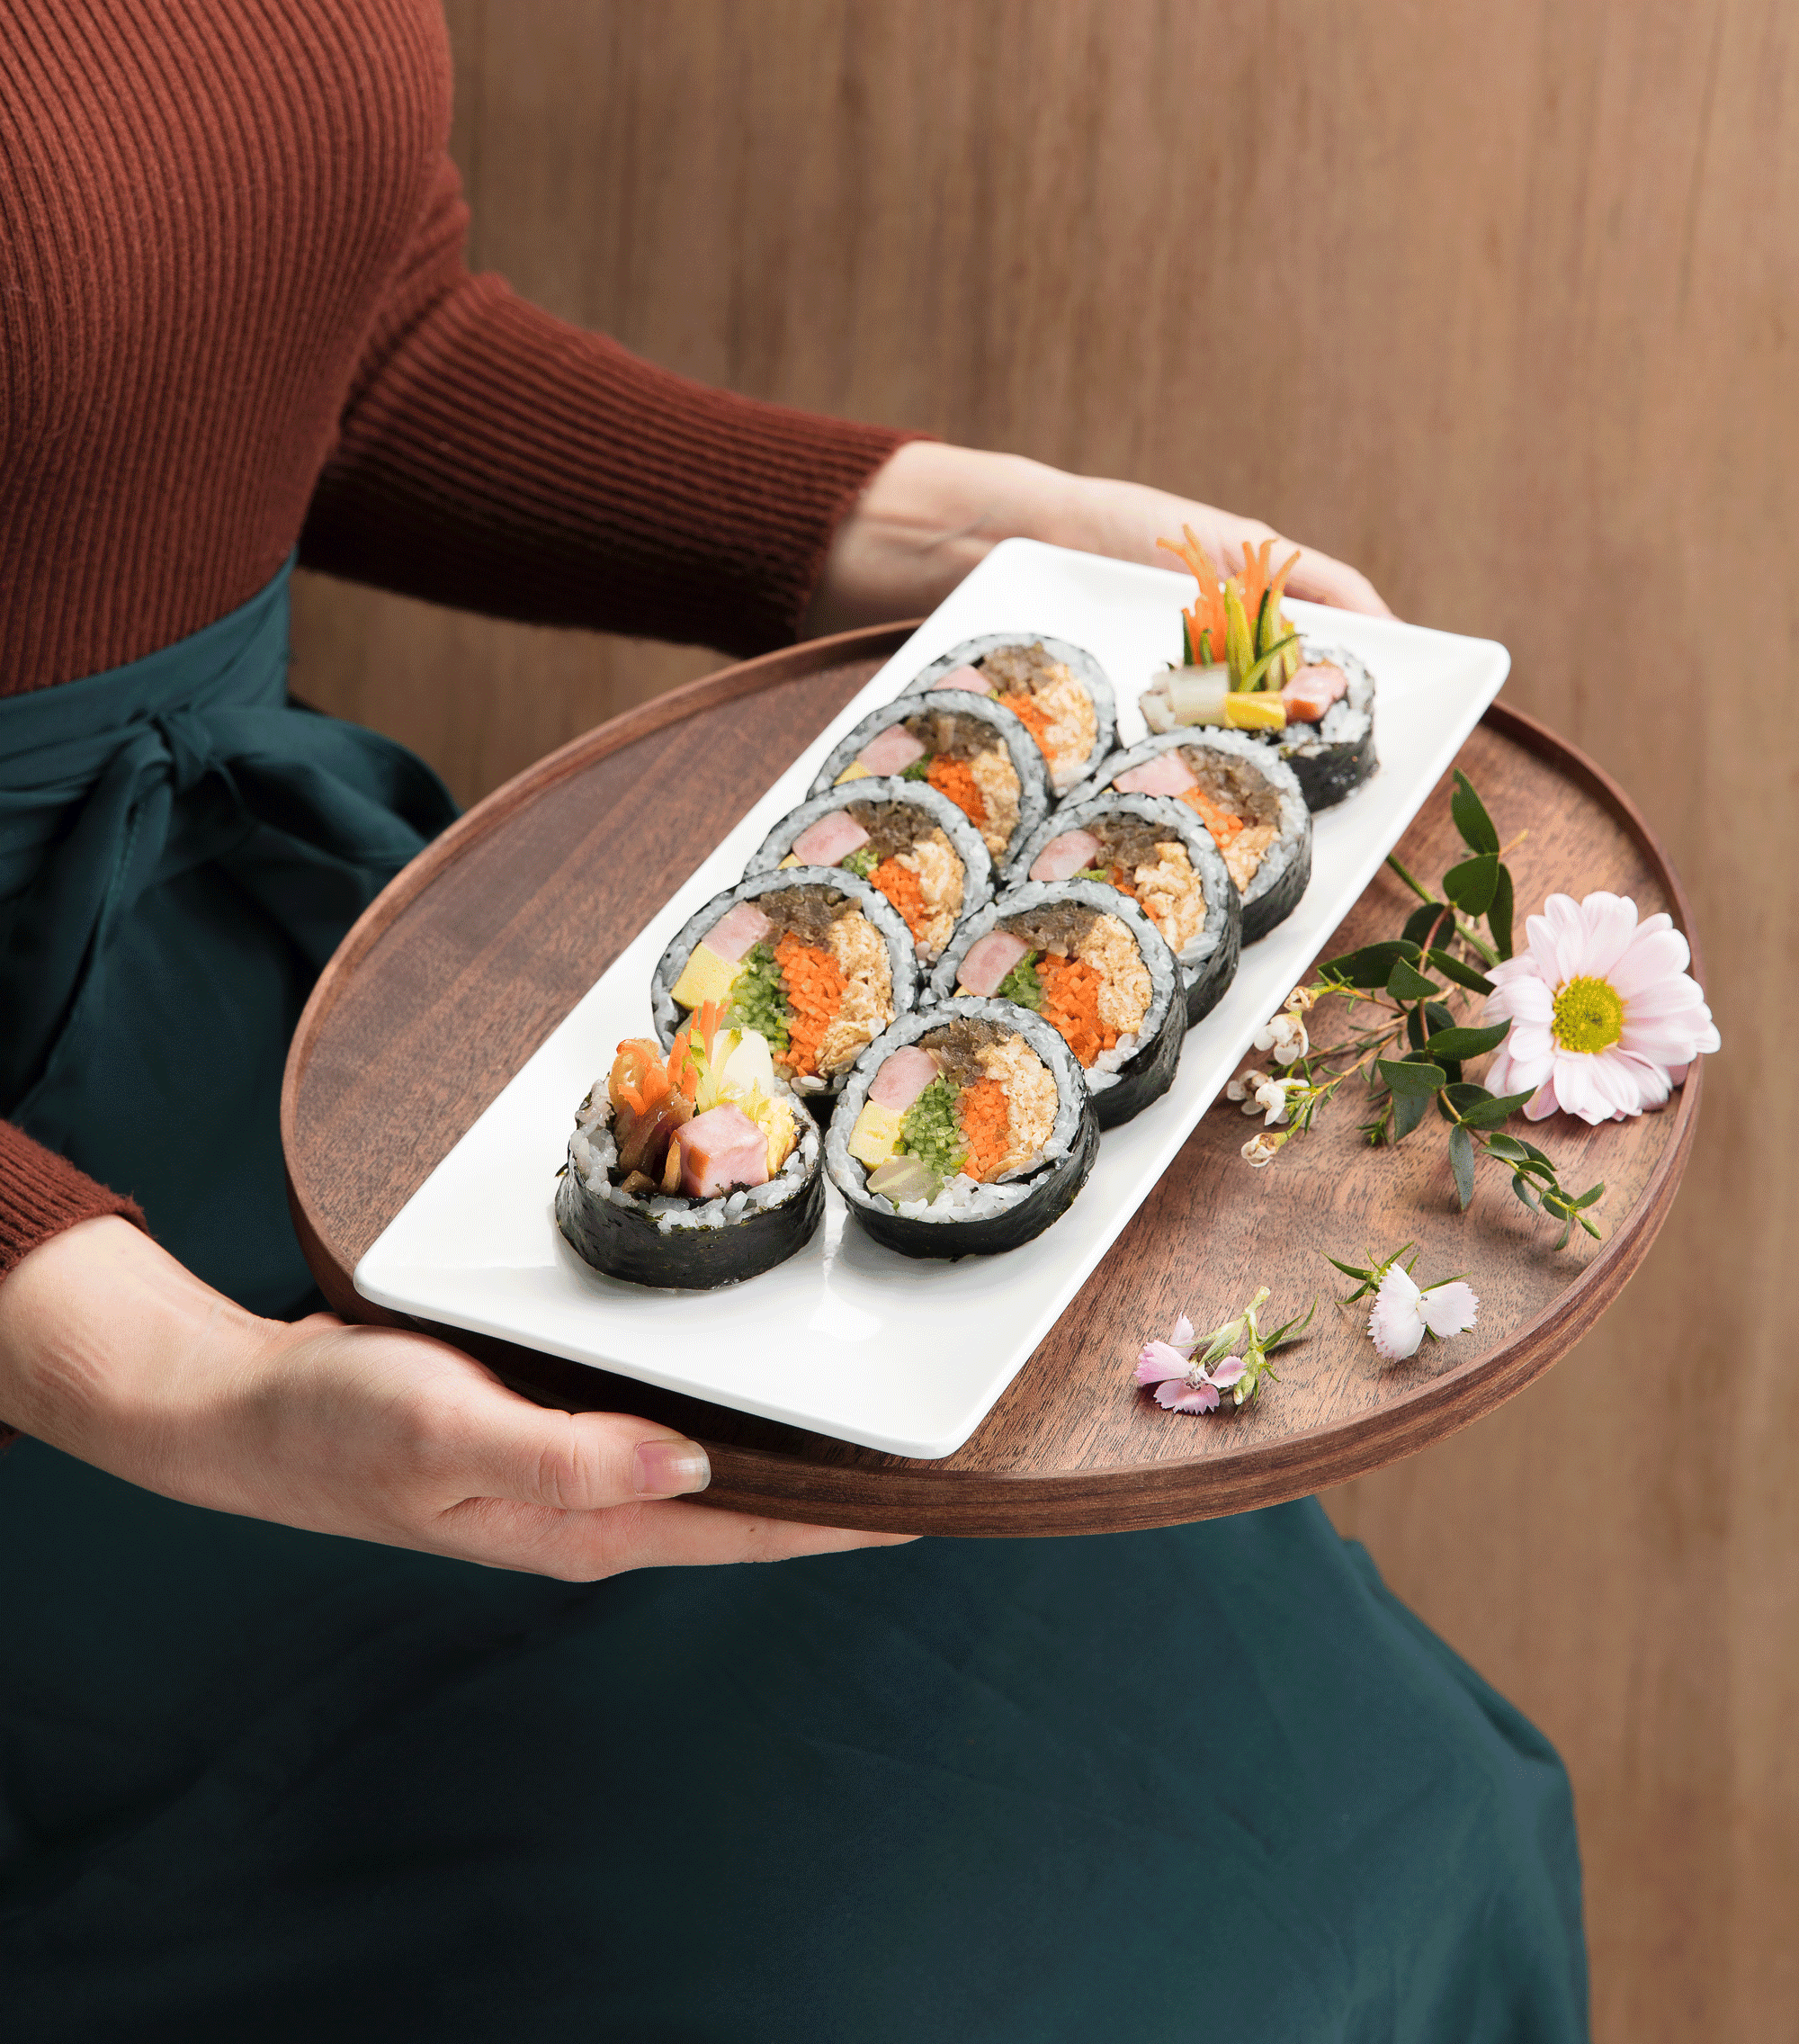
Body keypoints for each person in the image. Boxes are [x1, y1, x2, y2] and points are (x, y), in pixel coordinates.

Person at [0, 4, 1588, 2039]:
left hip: (330, 1013)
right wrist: (188, 1388)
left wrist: (935, 537)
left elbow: (322, 331)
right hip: (68, 1306)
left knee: (1389, 1811)